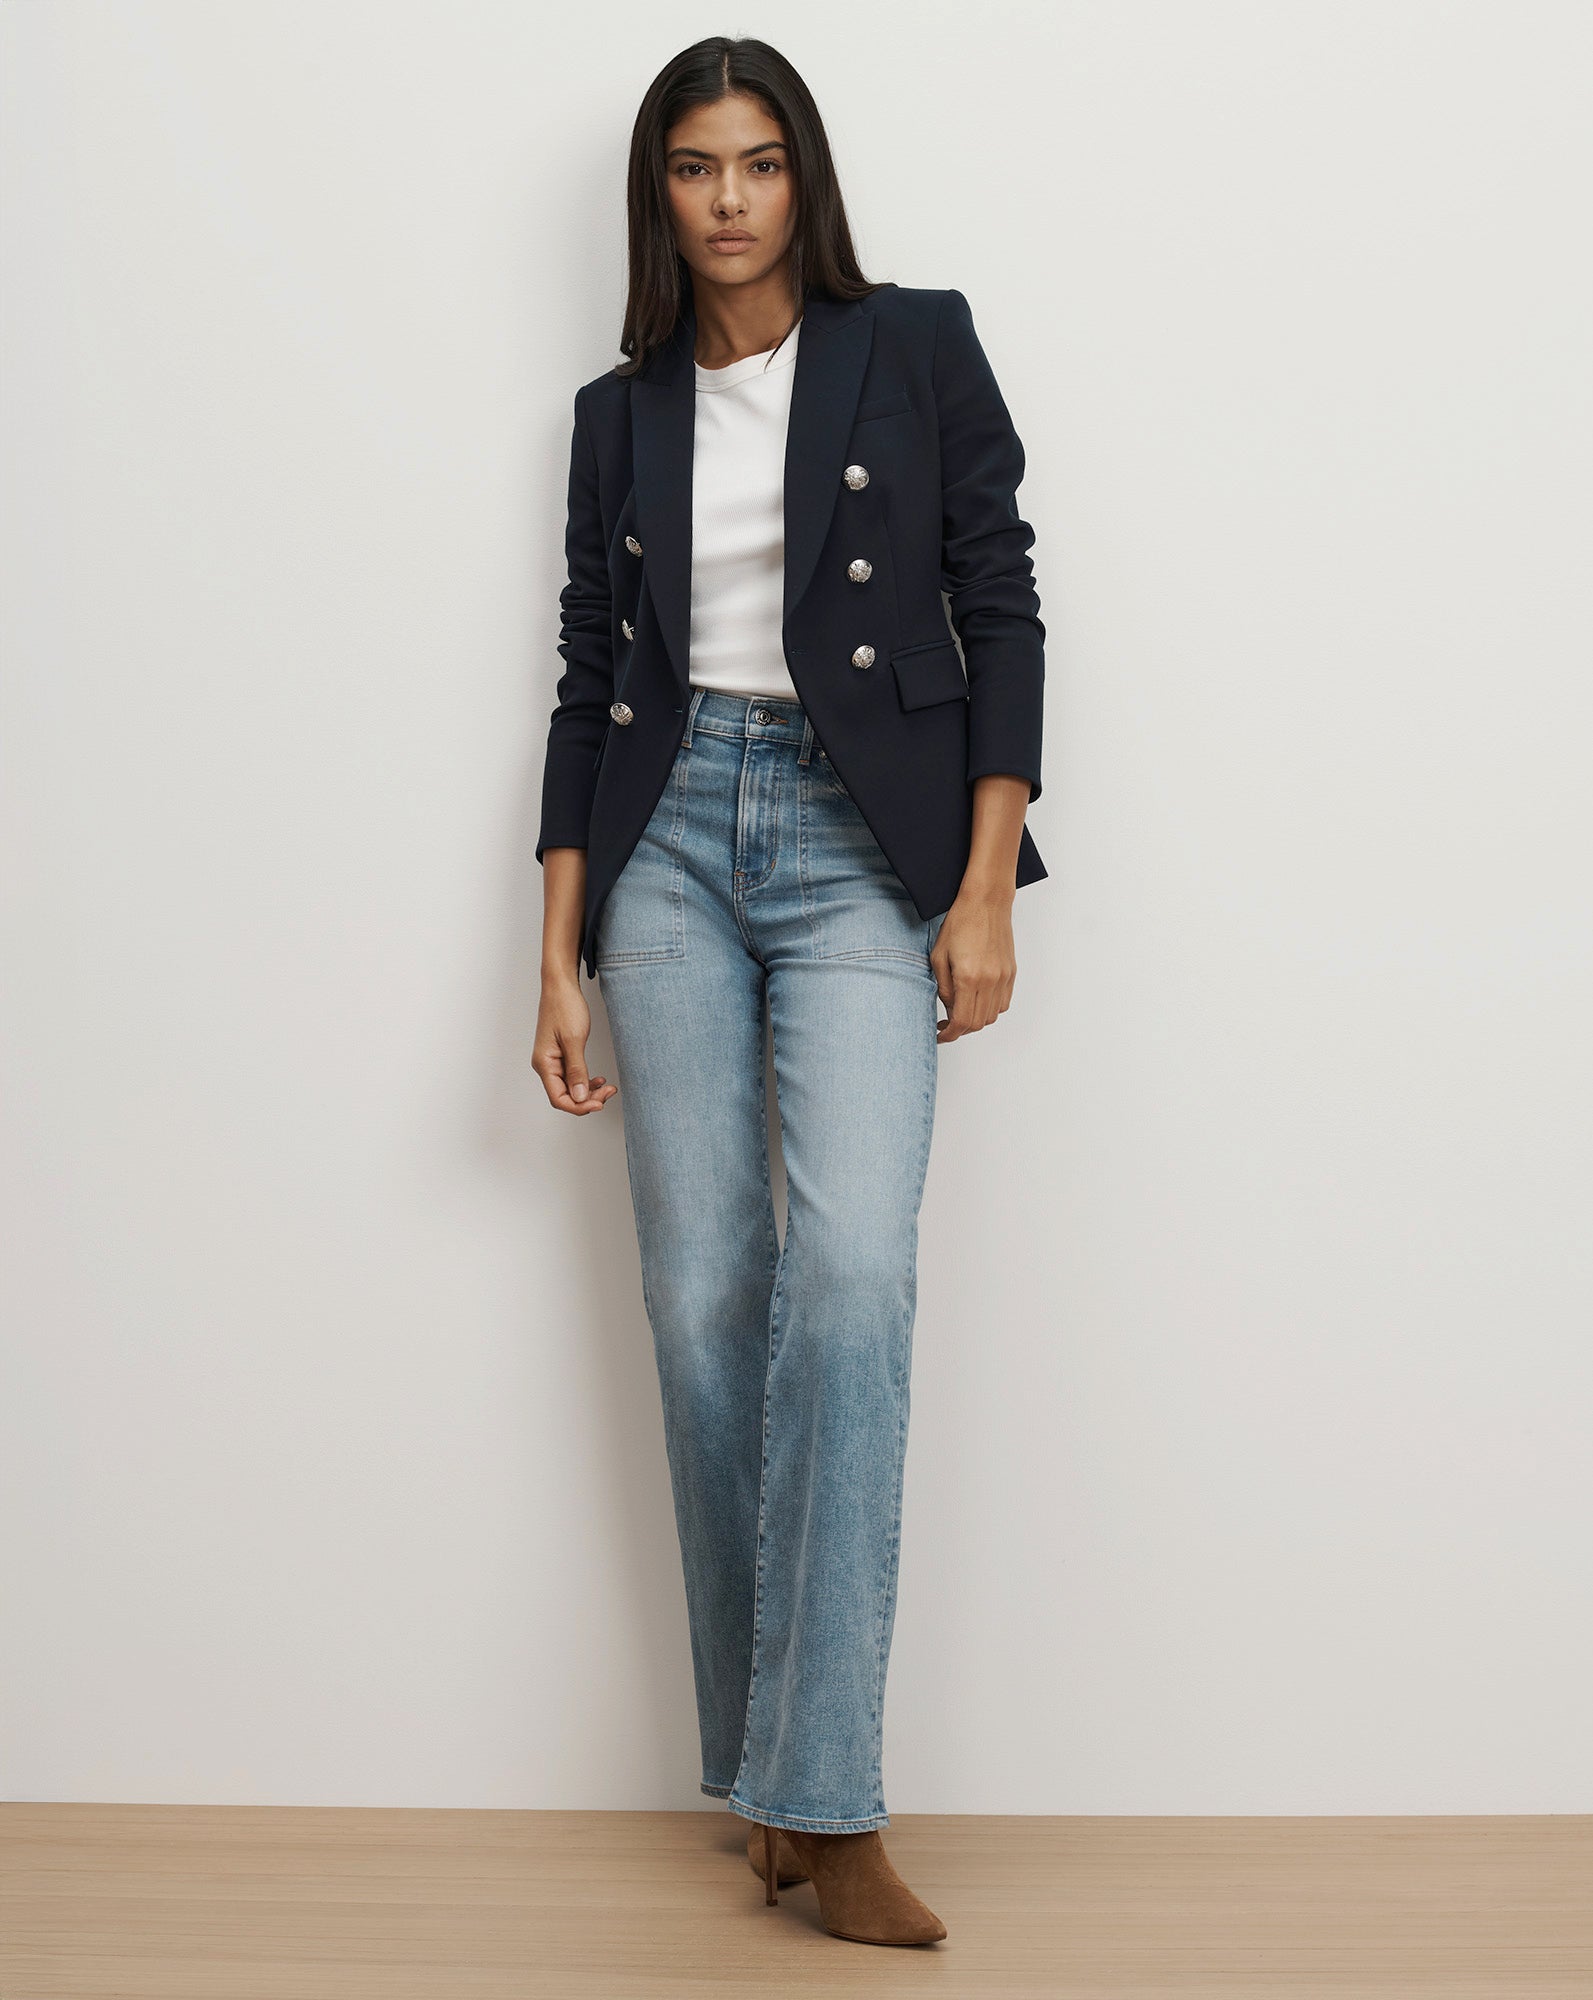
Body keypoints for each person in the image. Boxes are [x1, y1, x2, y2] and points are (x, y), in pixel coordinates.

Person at [532, 36, 1046, 1949]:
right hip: (666, 843)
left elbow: (999, 603)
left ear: (801, 176)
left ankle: (823, 1806)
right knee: (699, 1298)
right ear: (657, 194)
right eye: (694, 166)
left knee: (846, 1283)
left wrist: (982, 888)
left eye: (758, 161)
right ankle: (770, 1779)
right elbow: (589, 669)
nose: (729, 198)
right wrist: (556, 947)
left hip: (860, 846)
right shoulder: (617, 413)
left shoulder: (913, 342)